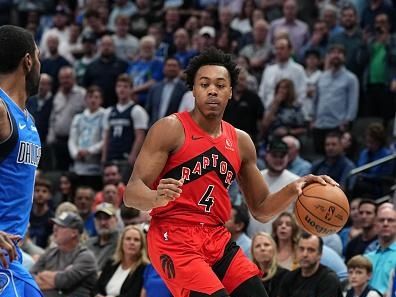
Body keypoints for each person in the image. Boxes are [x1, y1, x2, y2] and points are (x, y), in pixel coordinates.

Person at [124, 48, 337, 297]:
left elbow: (262, 208)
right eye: (204, 84)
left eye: (220, 84)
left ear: (231, 92)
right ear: (193, 90)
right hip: (173, 236)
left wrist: (294, 188)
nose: (212, 90)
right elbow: (131, 193)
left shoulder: (241, 141)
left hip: (216, 236)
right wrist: (154, 198)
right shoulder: (170, 128)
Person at [0, 25, 42, 297]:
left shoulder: (26, 118)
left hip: (10, 260)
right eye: (38, 58)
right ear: (28, 61)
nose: (39, 65)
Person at [31, 212, 98, 296]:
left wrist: (42, 275)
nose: (55, 229)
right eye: (55, 225)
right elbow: (30, 278)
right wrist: (56, 279)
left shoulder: (85, 257)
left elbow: (64, 281)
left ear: (74, 233)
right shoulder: (50, 252)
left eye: (61, 226)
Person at [278, 233, 343, 297]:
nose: (305, 254)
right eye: (301, 249)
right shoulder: (289, 277)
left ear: (320, 254)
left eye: (310, 250)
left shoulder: (329, 280)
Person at [94, 225, 149, 297]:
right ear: (121, 242)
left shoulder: (144, 268)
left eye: (136, 240)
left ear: (141, 245)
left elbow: (133, 294)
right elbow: (96, 288)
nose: (132, 243)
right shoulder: (111, 263)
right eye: (128, 239)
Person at [251, 232, 289, 297]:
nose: (262, 248)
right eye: (257, 246)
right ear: (253, 253)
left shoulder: (286, 275)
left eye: (266, 245)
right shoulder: (249, 278)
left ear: (274, 249)